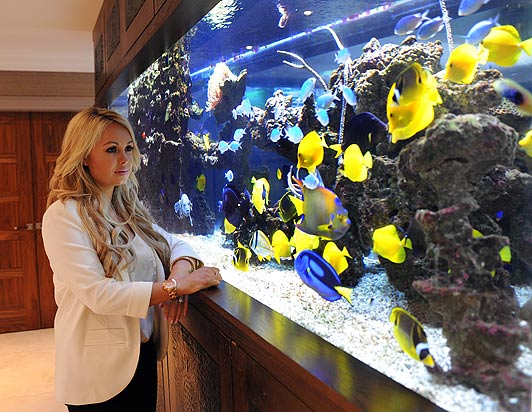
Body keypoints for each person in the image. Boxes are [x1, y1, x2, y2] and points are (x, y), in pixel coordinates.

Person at [42, 106, 222, 412]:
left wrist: (179, 279)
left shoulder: (125, 207)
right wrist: (175, 289)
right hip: (96, 370)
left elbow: (175, 243)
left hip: (142, 357)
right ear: (83, 156)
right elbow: (99, 294)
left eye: (128, 148)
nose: (124, 159)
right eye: (111, 150)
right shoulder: (63, 215)